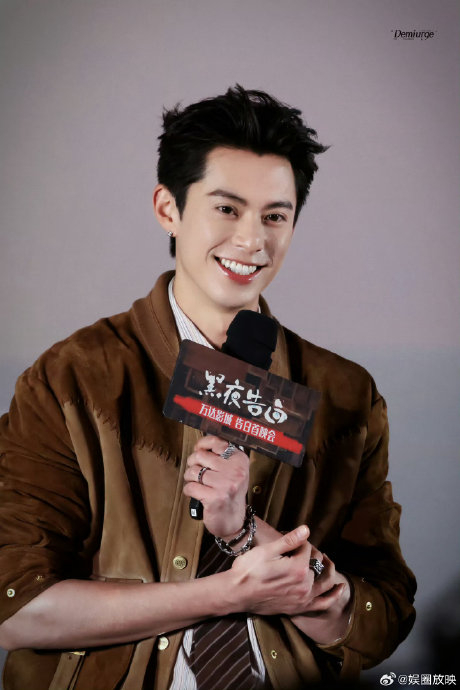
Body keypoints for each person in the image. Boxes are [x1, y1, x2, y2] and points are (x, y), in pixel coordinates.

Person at [0, 85, 416, 690]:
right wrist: (227, 592)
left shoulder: (347, 395)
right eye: (227, 209)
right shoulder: (71, 377)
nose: (252, 240)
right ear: (168, 208)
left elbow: (382, 619)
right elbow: (15, 607)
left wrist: (248, 534)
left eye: (275, 216)